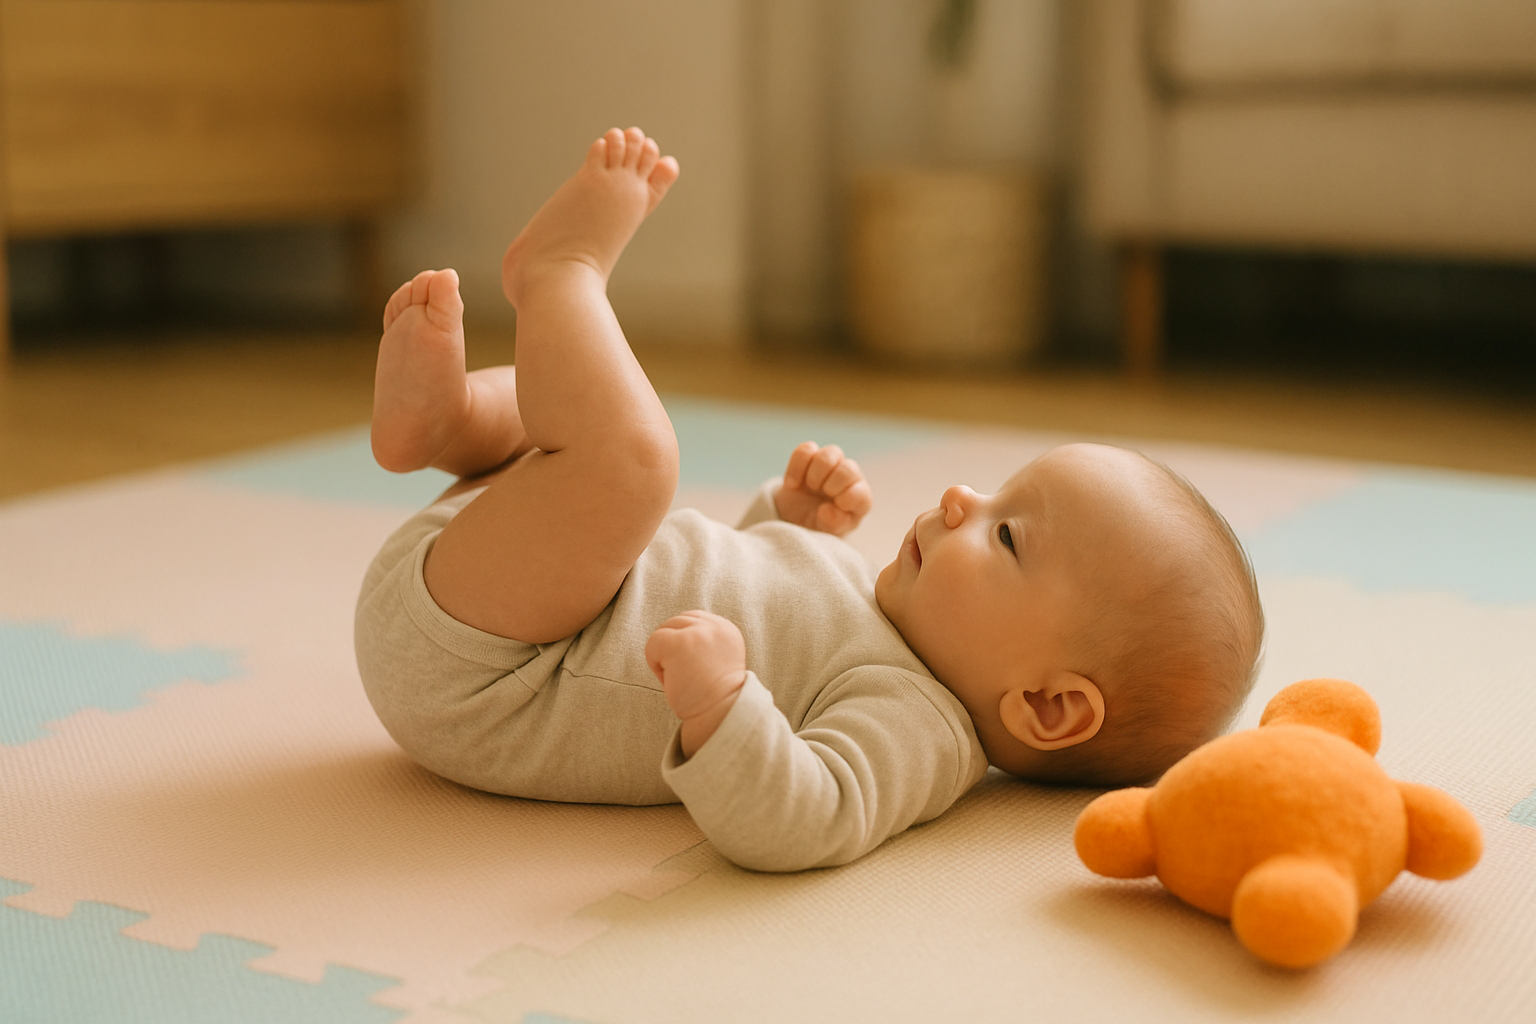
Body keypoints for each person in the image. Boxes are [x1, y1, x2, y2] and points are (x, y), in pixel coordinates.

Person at [355, 127, 1265, 871]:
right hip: (502, 577)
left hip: (493, 671)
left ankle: (562, 275)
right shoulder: (879, 609)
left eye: (1008, 535)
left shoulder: (920, 724)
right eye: (995, 490)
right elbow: (736, 584)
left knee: (629, 460)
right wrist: (784, 522)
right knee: (564, 425)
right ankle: (450, 426)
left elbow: (809, 816)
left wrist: (724, 704)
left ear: (1047, 708)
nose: (958, 498)